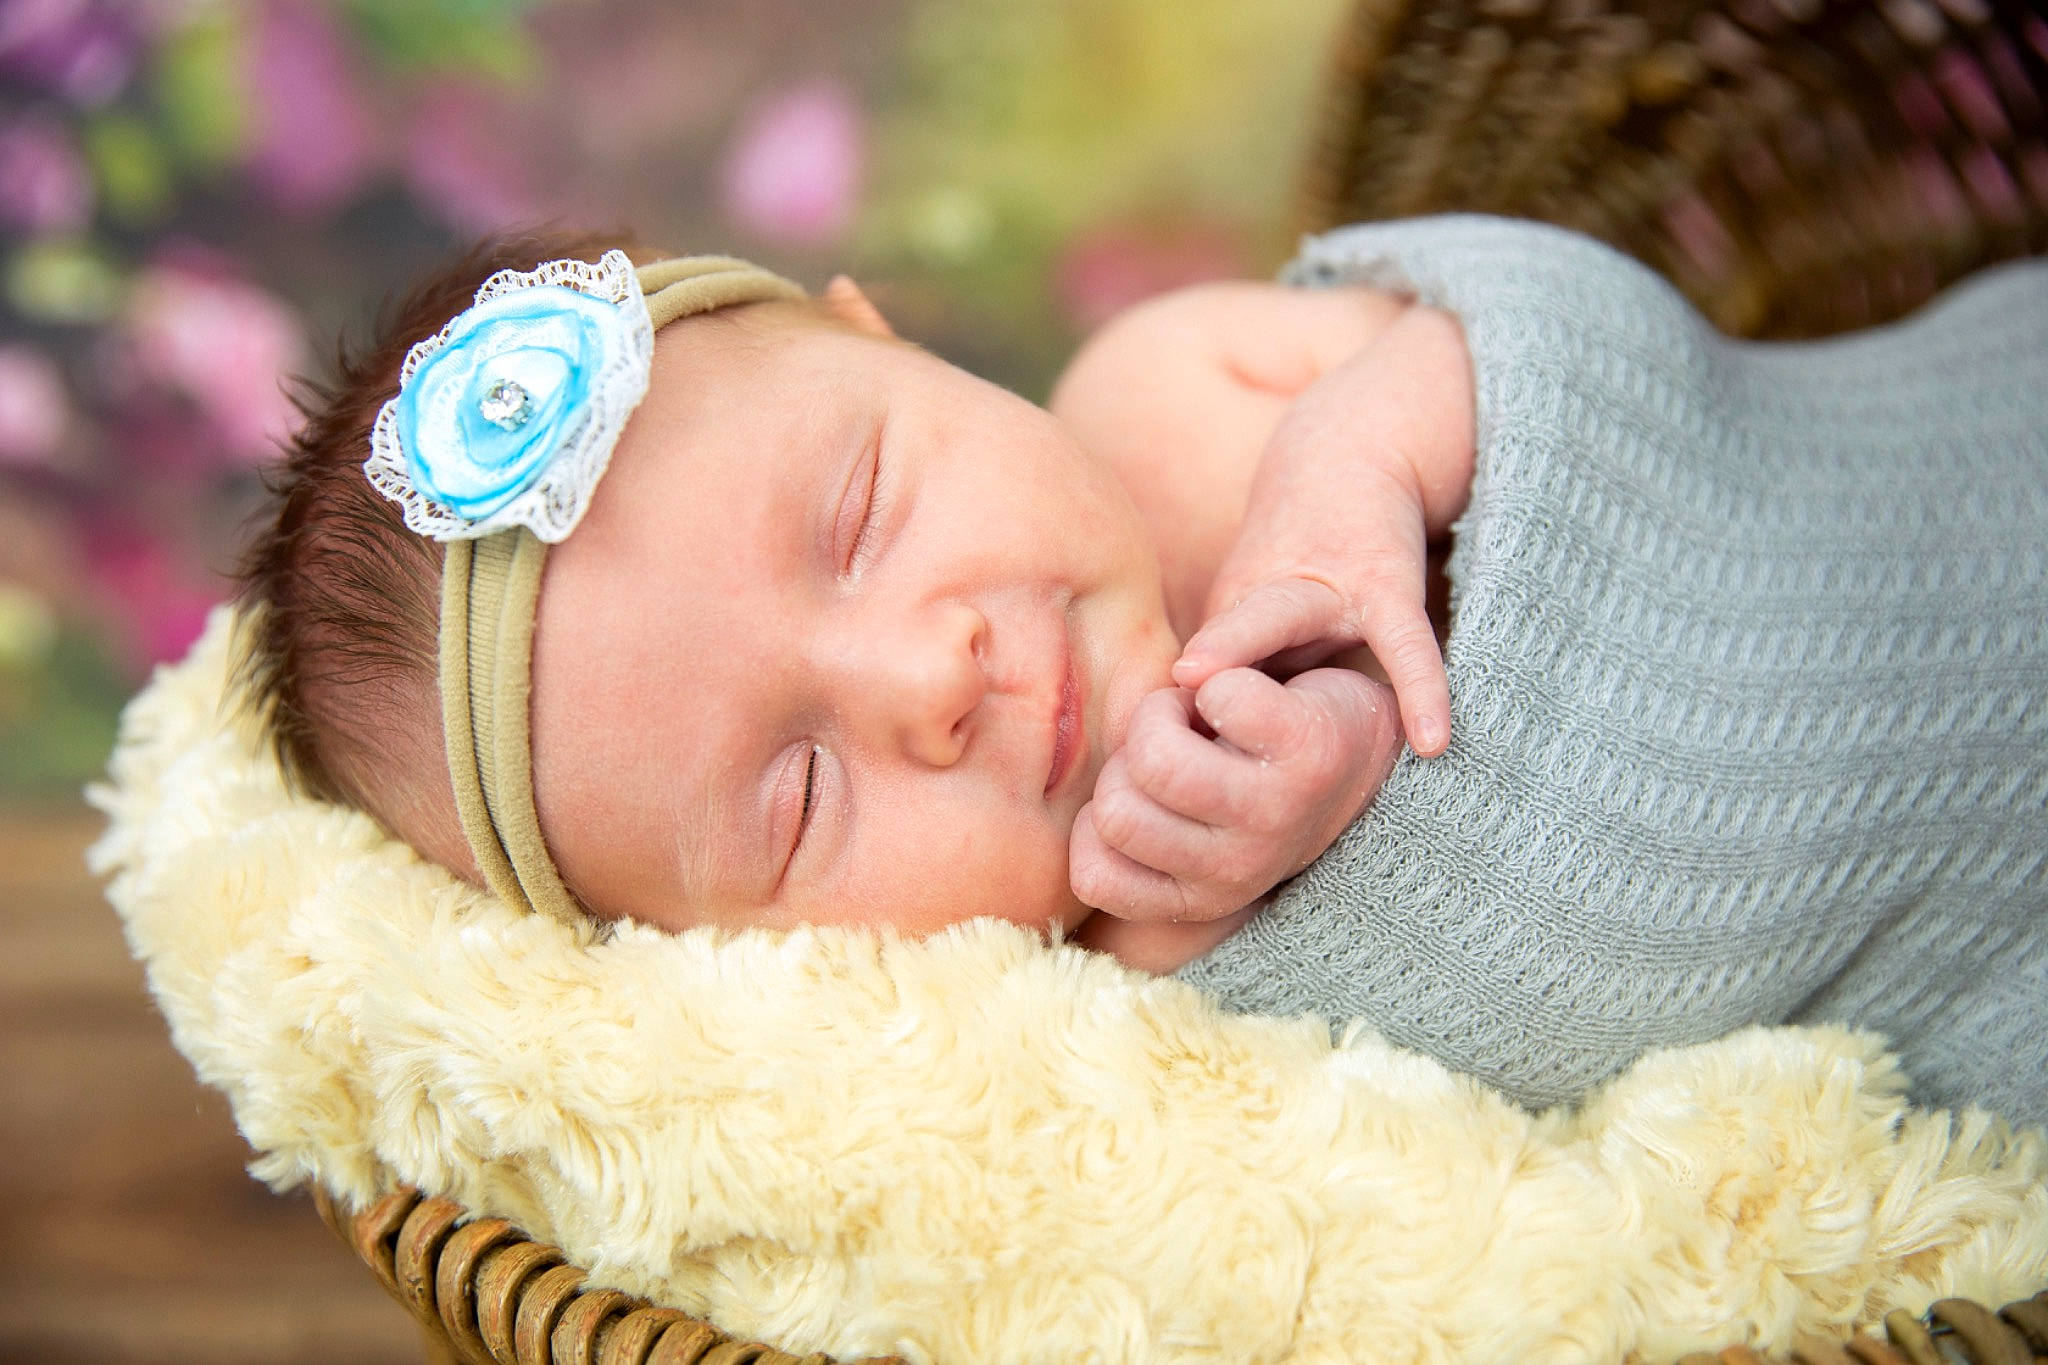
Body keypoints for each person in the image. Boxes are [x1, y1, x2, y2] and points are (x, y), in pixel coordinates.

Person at [236, 216, 2048, 1126]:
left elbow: (1515, 328)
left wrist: (1360, 476)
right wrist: (1335, 759)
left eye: (863, 508)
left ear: (894, 338)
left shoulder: (1166, 397)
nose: (922, 680)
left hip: (1949, 477)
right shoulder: (1081, 1034)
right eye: (798, 796)